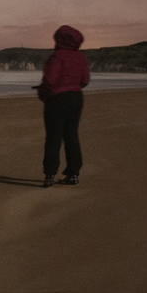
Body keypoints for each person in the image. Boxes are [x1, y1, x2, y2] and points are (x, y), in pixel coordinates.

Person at [34, 25, 90, 188]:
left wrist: (43, 94)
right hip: (76, 97)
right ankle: (73, 174)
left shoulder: (57, 57)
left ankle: (50, 175)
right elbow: (85, 80)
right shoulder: (81, 57)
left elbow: (50, 80)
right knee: (72, 136)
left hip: (57, 99)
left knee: (53, 137)